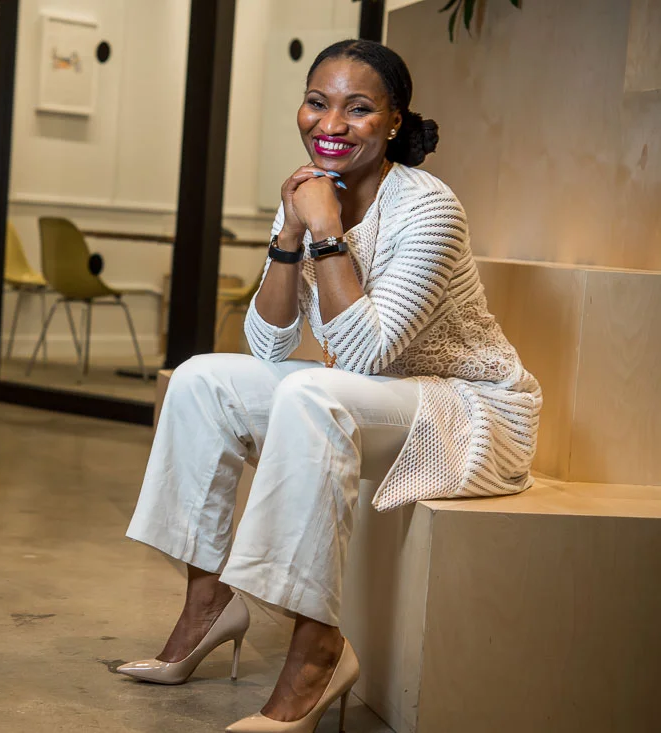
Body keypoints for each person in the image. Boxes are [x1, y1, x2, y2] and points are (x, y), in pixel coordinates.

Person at [117, 39, 542, 733]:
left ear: (395, 122)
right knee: (201, 379)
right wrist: (291, 229)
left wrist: (325, 231)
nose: (331, 124)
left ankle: (318, 652)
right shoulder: (312, 193)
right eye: (318, 102)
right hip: (372, 396)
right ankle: (207, 602)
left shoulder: (430, 209)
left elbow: (366, 355)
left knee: (314, 396)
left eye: (359, 108)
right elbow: (269, 343)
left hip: (465, 408)